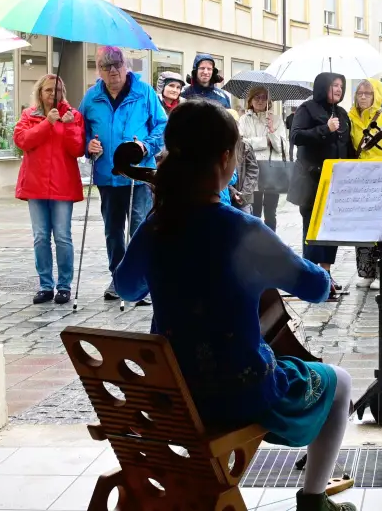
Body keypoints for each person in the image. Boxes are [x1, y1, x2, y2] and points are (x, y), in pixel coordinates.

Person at [112, 102, 355, 511]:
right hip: (239, 393)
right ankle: (314, 501)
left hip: (172, 394)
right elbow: (315, 287)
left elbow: (126, 286)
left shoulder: (157, 224)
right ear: (226, 158)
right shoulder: (242, 229)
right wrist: (315, 270)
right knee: (341, 382)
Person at [80, 46, 168, 302]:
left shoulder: (144, 93)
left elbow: (161, 126)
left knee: (140, 228)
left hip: (139, 174)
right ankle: (118, 279)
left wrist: (146, 146)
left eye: (117, 65)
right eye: (106, 67)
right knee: (113, 231)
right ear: (100, 71)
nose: (113, 71)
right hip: (108, 175)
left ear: (125, 66)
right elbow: (81, 129)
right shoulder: (92, 97)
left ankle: (140, 281)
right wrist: (88, 145)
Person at [12, 74, 84, 305]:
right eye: (49, 90)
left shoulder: (73, 115)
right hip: (36, 186)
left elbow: (77, 149)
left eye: (58, 90)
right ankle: (45, 285)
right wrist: (47, 123)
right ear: (40, 92)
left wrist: (69, 124)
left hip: (62, 185)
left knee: (62, 237)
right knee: (41, 237)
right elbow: (22, 141)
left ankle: (64, 286)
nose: (54, 95)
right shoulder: (29, 115)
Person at [290, 73, 351, 294]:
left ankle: (326, 274)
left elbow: (347, 146)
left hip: (335, 182)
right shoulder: (307, 109)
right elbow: (296, 137)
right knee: (312, 229)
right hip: (311, 180)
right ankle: (311, 275)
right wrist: (326, 129)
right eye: (334, 85)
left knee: (330, 229)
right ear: (323, 86)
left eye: (341, 86)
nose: (338, 89)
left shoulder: (342, 113)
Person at [349, 78, 382, 290]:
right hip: (361, 179)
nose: (363, 96)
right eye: (360, 93)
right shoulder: (351, 118)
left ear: (376, 95)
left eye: (367, 93)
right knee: (362, 226)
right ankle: (366, 272)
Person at [239, 84, 290, 232]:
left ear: (269, 100)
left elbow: (281, 147)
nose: (260, 101)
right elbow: (241, 143)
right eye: (257, 97)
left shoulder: (276, 119)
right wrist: (263, 141)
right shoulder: (244, 119)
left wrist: (272, 131)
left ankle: (271, 244)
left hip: (272, 169)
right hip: (251, 170)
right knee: (253, 211)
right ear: (250, 100)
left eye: (264, 97)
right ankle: (254, 244)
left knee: (270, 212)